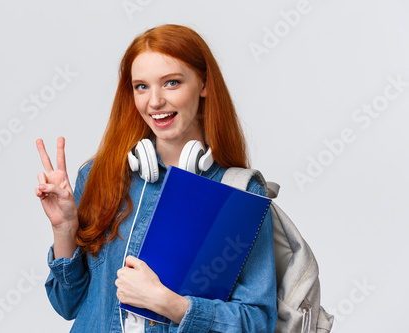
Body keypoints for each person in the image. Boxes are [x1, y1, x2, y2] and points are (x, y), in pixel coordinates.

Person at [35, 24, 277, 332]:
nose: (155, 102)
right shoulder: (99, 176)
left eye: (172, 83)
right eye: (141, 87)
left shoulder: (238, 193)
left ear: (203, 84)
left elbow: (258, 322)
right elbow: (67, 304)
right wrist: (64, 229)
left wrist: (170, 305)